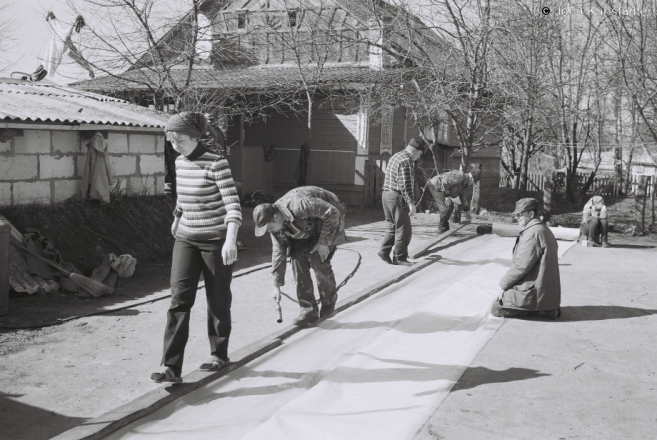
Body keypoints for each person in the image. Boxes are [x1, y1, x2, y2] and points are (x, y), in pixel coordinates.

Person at [151, 112, 242, 383]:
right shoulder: (179, 162)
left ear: (194, 137)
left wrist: (230, 239)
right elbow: (183, 197)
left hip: (215, 240)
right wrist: (177, 219)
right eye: (171, 141)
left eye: (179, 140)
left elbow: (232, 205)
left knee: (217, 298)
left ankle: (218, 354)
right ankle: (170, 366)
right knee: (179, 300)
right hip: (186, 238)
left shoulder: (217, 164)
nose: (174, 146)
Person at [253, 186, 346, 326]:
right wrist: (276, 285)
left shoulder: (299, 205)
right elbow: (278, 253)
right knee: (297, 260)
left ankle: (328, 303)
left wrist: (323, 243)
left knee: (318, 259)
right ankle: (308, 311)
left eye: (269, 228)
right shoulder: (276, 227)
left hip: (328, 219)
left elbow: (332, 213)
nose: (269, 232)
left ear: (276, 217)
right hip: (305, 228)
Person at [491, 198, 561, 319]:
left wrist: (502, 286)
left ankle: (535, 308)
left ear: (531, 214)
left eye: (520, 214)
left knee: (496, 308)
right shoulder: (544, 229)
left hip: (536, 293)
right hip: (549, 293)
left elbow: (520, 266)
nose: (517, 217)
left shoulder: (532, 233)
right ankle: (547, 307)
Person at [378, 138, 427, 266]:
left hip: (386, 194)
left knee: (392, 226)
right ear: (414, 151)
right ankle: (399, 257)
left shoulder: (396, 156)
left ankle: (384, 252)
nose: (419, 157)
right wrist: (411, 203)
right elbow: (405, 184)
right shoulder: (406, 160)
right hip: (396, 196)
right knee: (403, 229)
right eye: (420, 154)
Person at [426, 165, 481, 234]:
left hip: (441, 187)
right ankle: (441, 229)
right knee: (446, 207)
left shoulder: (464, 183)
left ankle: (445, 228)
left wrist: (466, 211)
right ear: (472, 178)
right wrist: (447, 196)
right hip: (436, 185)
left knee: (450, 206)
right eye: (474, 182)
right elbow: (445, 181)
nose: (472, 184)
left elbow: (463, 197)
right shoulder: (460, 176)